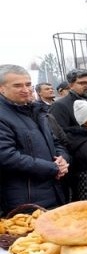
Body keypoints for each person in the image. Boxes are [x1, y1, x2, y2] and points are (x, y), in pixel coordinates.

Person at [0, 65, 68, 213]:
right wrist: (52, 168)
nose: (25, 89)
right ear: (2, 89)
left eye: (28, 84)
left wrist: (63, 160)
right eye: (17, 85)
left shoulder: (37, 111)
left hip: (54, 191)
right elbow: (6, 156)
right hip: (23, 200)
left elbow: (56, 141)